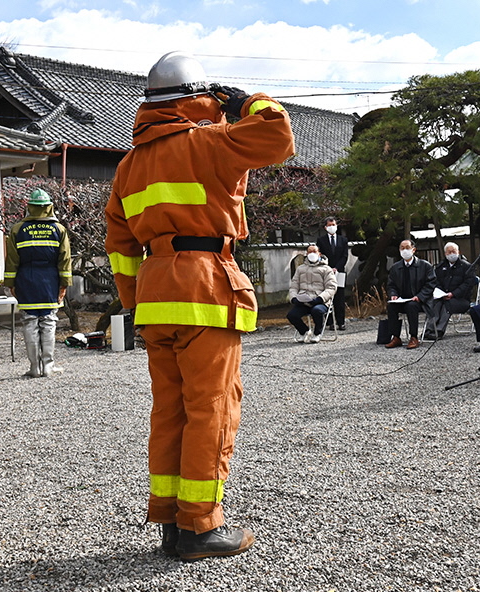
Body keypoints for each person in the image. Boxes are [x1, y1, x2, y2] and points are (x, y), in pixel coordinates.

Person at [105, 51, 294, 559]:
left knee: (169, 410)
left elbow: (120, 246)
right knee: (212, 409)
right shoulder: (208, 141)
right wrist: (247, 100)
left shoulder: (129, 165)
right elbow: (277, 135)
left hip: (155, 296)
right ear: (196, 97)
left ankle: (170, 520)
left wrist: (135, 302)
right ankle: (200, 528)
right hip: (206, 288)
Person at [4, 189, 72, 377]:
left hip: (25, 279)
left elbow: (12, 260)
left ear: (29, 207)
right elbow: (65, 259)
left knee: (29, 321)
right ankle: (48, 366)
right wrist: (64, 284)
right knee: (49, 320)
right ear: (49, 207)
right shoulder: (59, 229)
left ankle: (34, 367)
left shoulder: (18, 229)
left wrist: (11, 283)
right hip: (50, 280)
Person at [385, 239, 436, 350]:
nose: (404, 250)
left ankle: (413, 337)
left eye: (407, 247)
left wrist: (420, 296)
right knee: (391, 306)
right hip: (402, 299)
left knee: (411, 306)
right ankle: (396, 337)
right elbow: (391, 285)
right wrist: (393, 294)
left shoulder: (425, 266)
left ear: (413, 249)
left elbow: (430, 284)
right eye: (402, 248)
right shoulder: (395, 267)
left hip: (420, 301)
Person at [287, 245, 336, 343]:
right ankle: (304, 331)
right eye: (309, 252)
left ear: (319, 254)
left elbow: (331, 287)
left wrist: (320, 298)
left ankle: (317, 333)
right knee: (291, 315)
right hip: (304, 301)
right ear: (307, 254)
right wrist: (293, 298)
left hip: (321, 301)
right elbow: (294, 286)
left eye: (314, 251)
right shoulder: (300, 269)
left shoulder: (326, 269)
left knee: (316, 311)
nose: (312, 254)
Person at [427, 242, 475, 340]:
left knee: (447, 304)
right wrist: (441, 293)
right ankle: (429, 329)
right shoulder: (440, 267)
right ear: (445, 254)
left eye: (454, 251)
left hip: (461, 299)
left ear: (458, 252)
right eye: (449, 252)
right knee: (435, 304)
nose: (452, 253)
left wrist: (453, 294)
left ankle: (439, 330)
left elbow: (468, 284)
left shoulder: (466, 266)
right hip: (443, 297)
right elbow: (436, 282)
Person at [316, 216, 348, 330]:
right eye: (329, 225)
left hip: (339, 272)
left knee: (340, 297)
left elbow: (345, 256)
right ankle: (330, 322)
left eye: (333, 225)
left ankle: (341, 322)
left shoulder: (343, 240)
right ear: (325, 227)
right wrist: (328, 268)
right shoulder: (321, 240)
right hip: (326, 272)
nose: (332, 227)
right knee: (328, 296)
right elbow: (321, 256)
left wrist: (337, 268)